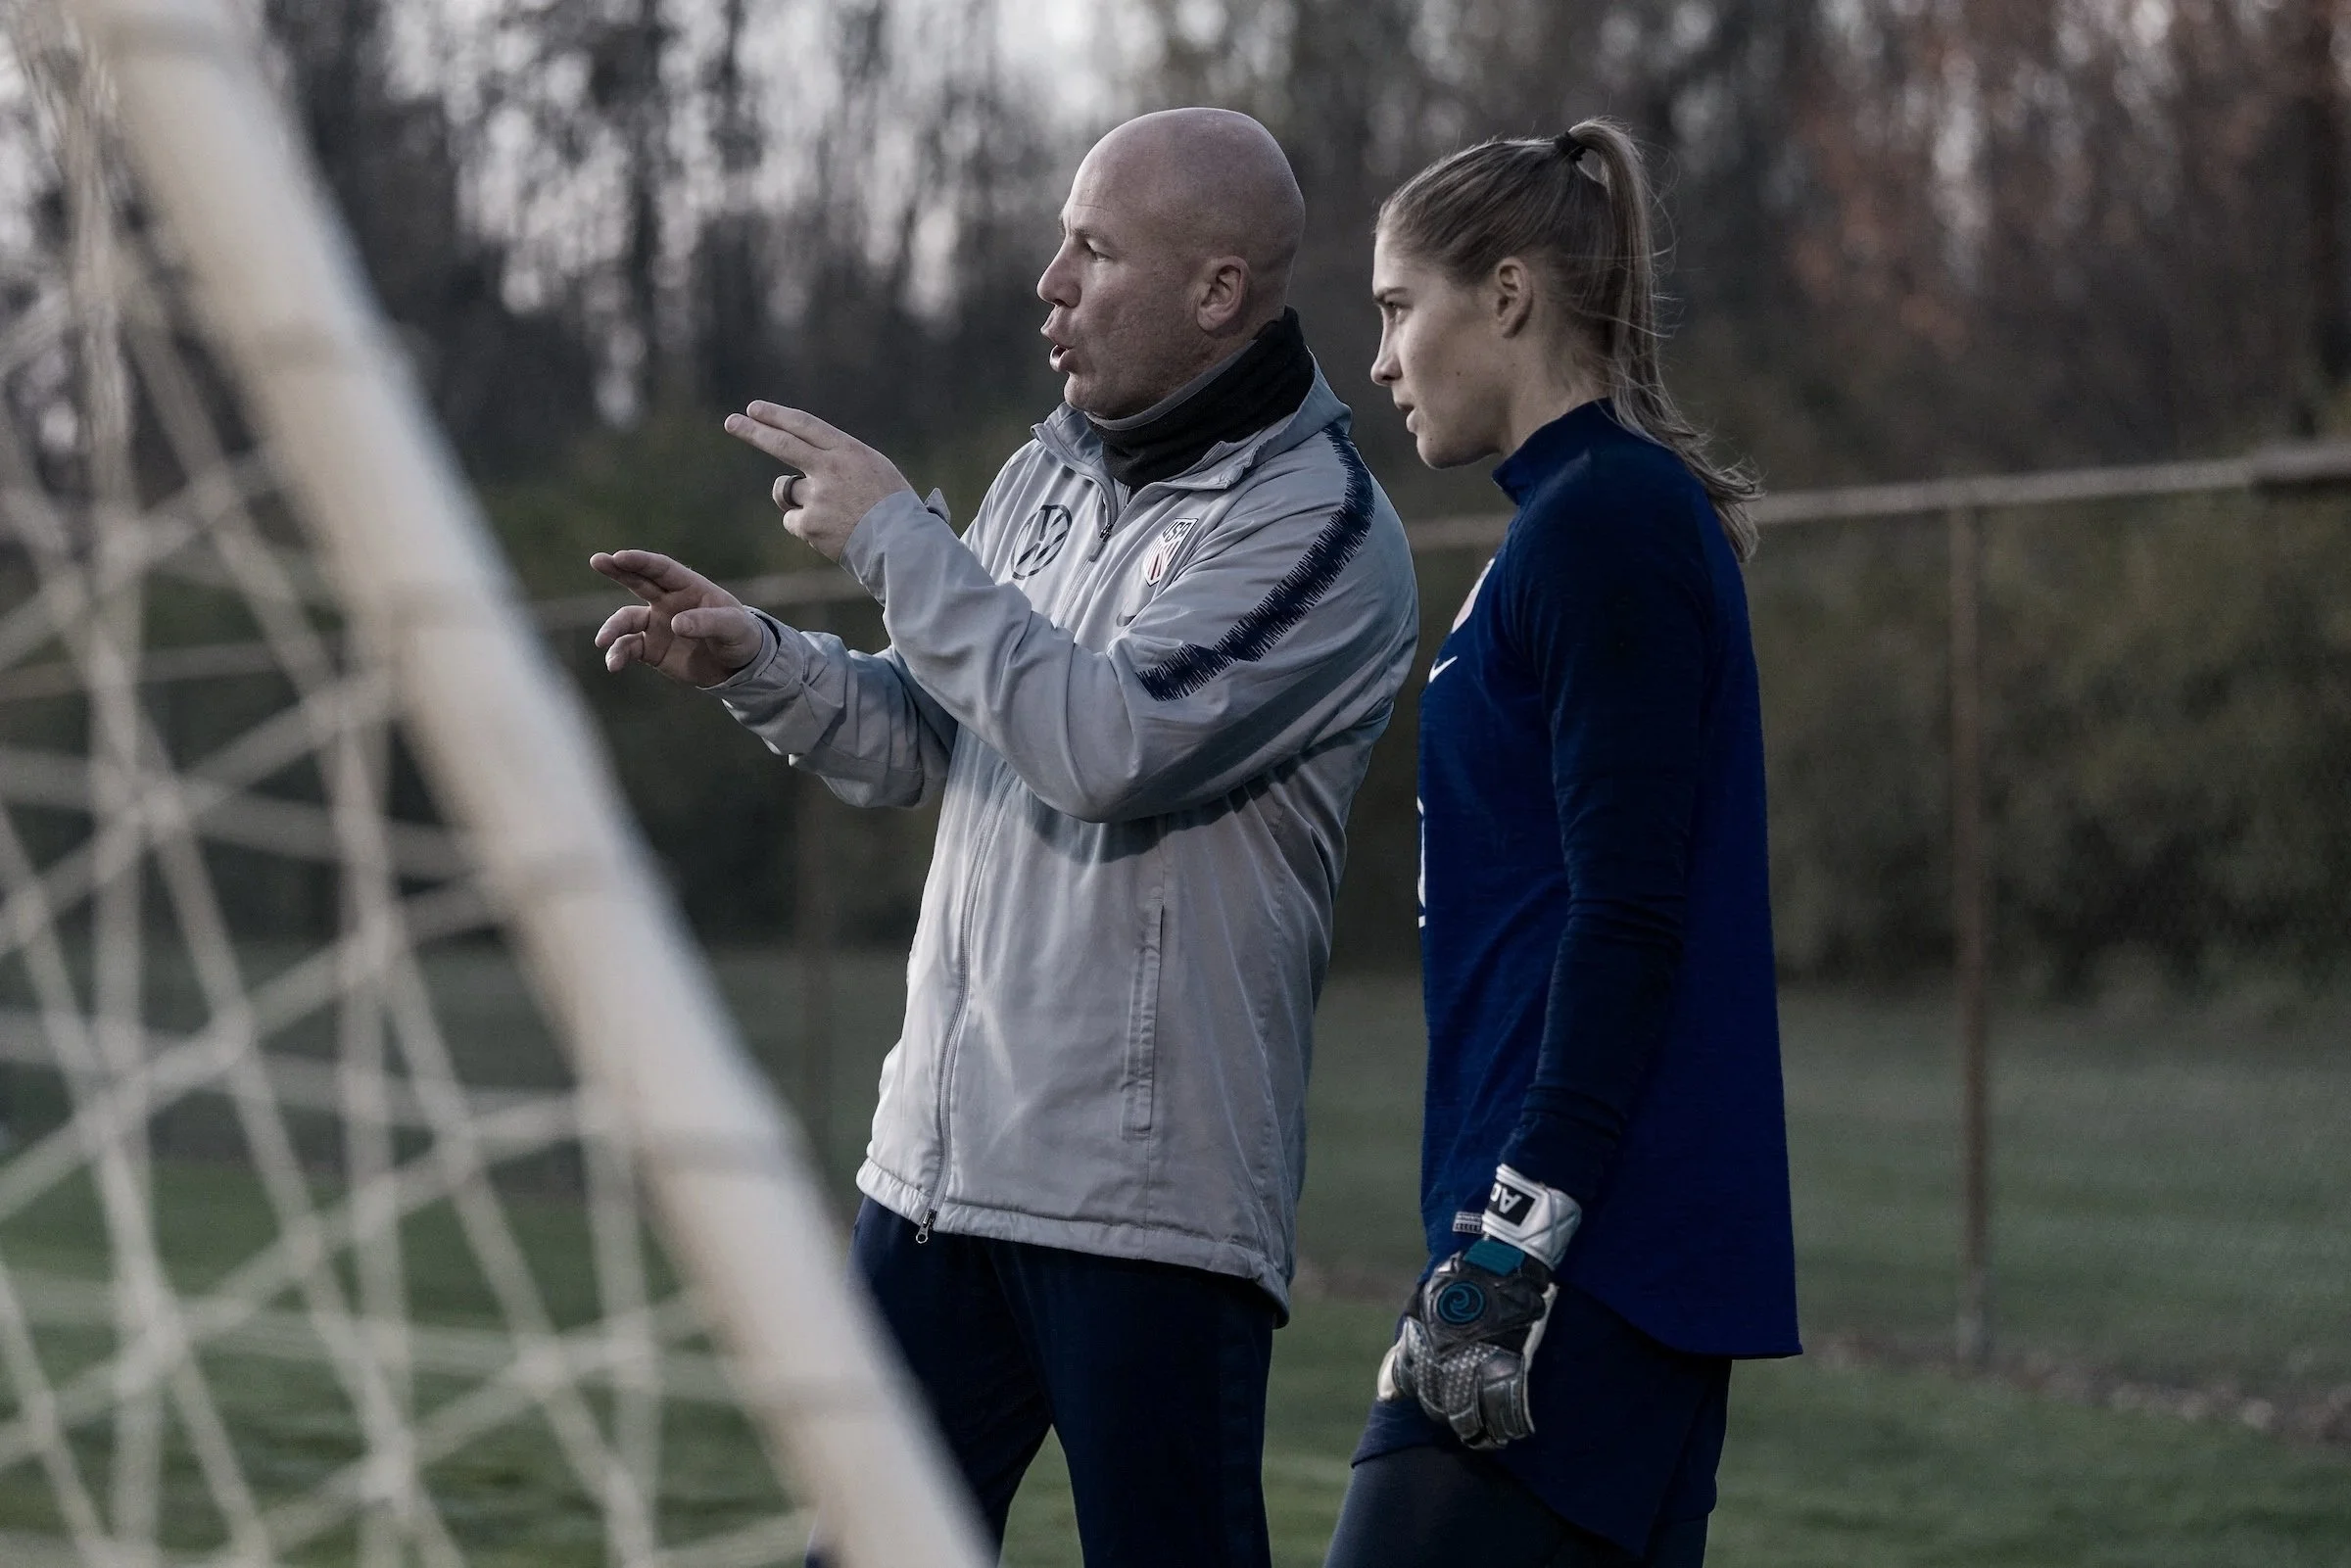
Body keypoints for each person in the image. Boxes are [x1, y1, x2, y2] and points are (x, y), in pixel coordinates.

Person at [590, 108, 1418, 1568]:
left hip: (1146, 1217)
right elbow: (936, 737)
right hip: (932, 1176)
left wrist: (896, 538)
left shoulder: (1325, 531)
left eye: (1093, 251)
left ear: (1219, 291)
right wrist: (762, 663)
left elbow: (1105, 745)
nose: (1049, 282)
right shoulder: (1053, 471)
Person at [1323, 120, 1799, 1568]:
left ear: (1512, 294)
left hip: (1591, 1258)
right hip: (1570, 1244)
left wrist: (1513, 1248)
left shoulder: (1609, 524)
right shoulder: (1568, 526)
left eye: (1401, 308)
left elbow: (1627, 916)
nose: (1383, 360)